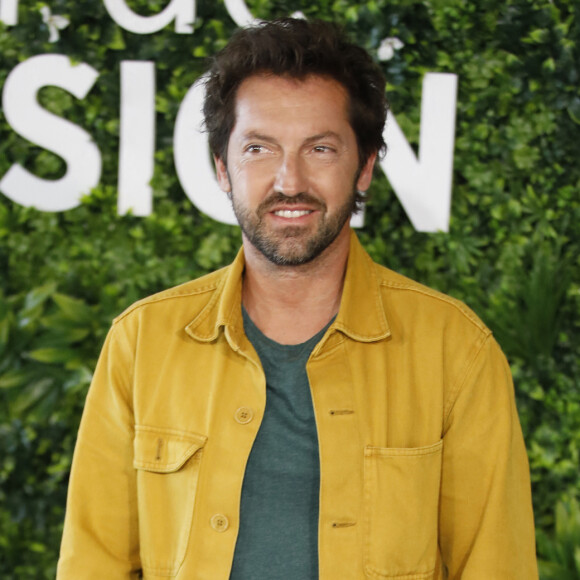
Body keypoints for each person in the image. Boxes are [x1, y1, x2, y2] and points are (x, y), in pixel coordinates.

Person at [57, 17, 538, 580]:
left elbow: (497, 567)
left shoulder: (456, 352)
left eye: (321, 148)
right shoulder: (141, 343)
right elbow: (94, 565)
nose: (289, 180)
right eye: (259, 148)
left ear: (364, 168)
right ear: (222, 168)